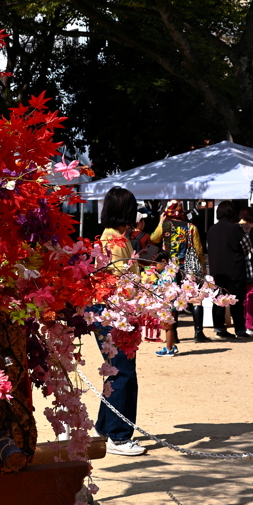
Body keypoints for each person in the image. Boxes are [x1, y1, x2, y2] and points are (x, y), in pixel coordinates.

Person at [92, 185, 147, 457]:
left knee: (115, 370)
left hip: (112, 310)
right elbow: (120, 283)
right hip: (115, 312)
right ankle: (119, 436)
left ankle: (105, 426)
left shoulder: (115, 238)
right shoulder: (114, 242)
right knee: (123, 371)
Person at [150, 200, 207, 341]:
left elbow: (154, 238)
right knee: (195, 299)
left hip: (170, 269)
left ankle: (173, 335)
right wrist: (203, 267)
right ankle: (198, 333)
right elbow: (198, 250)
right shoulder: (191, 227)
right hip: (188, 268)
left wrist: (160, 222)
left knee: (172, 300)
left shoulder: (165, 226)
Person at [206, 200, 249, 338]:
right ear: (232, 212)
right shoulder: (236, 229)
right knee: (236, 301)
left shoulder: (212, 229)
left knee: (219, 300)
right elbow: (246, 246)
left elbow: (208, 248)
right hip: (235, 270)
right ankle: (240, 330)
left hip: (217, 272)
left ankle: (220, 329)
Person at [238, 207, 253, 335]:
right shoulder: (252, 230)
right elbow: (248, 247)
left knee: (242, 297)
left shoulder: (234, 229)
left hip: (236, 266)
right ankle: (250, 324)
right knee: (251, 296)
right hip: (250, 267)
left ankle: (242, 323)